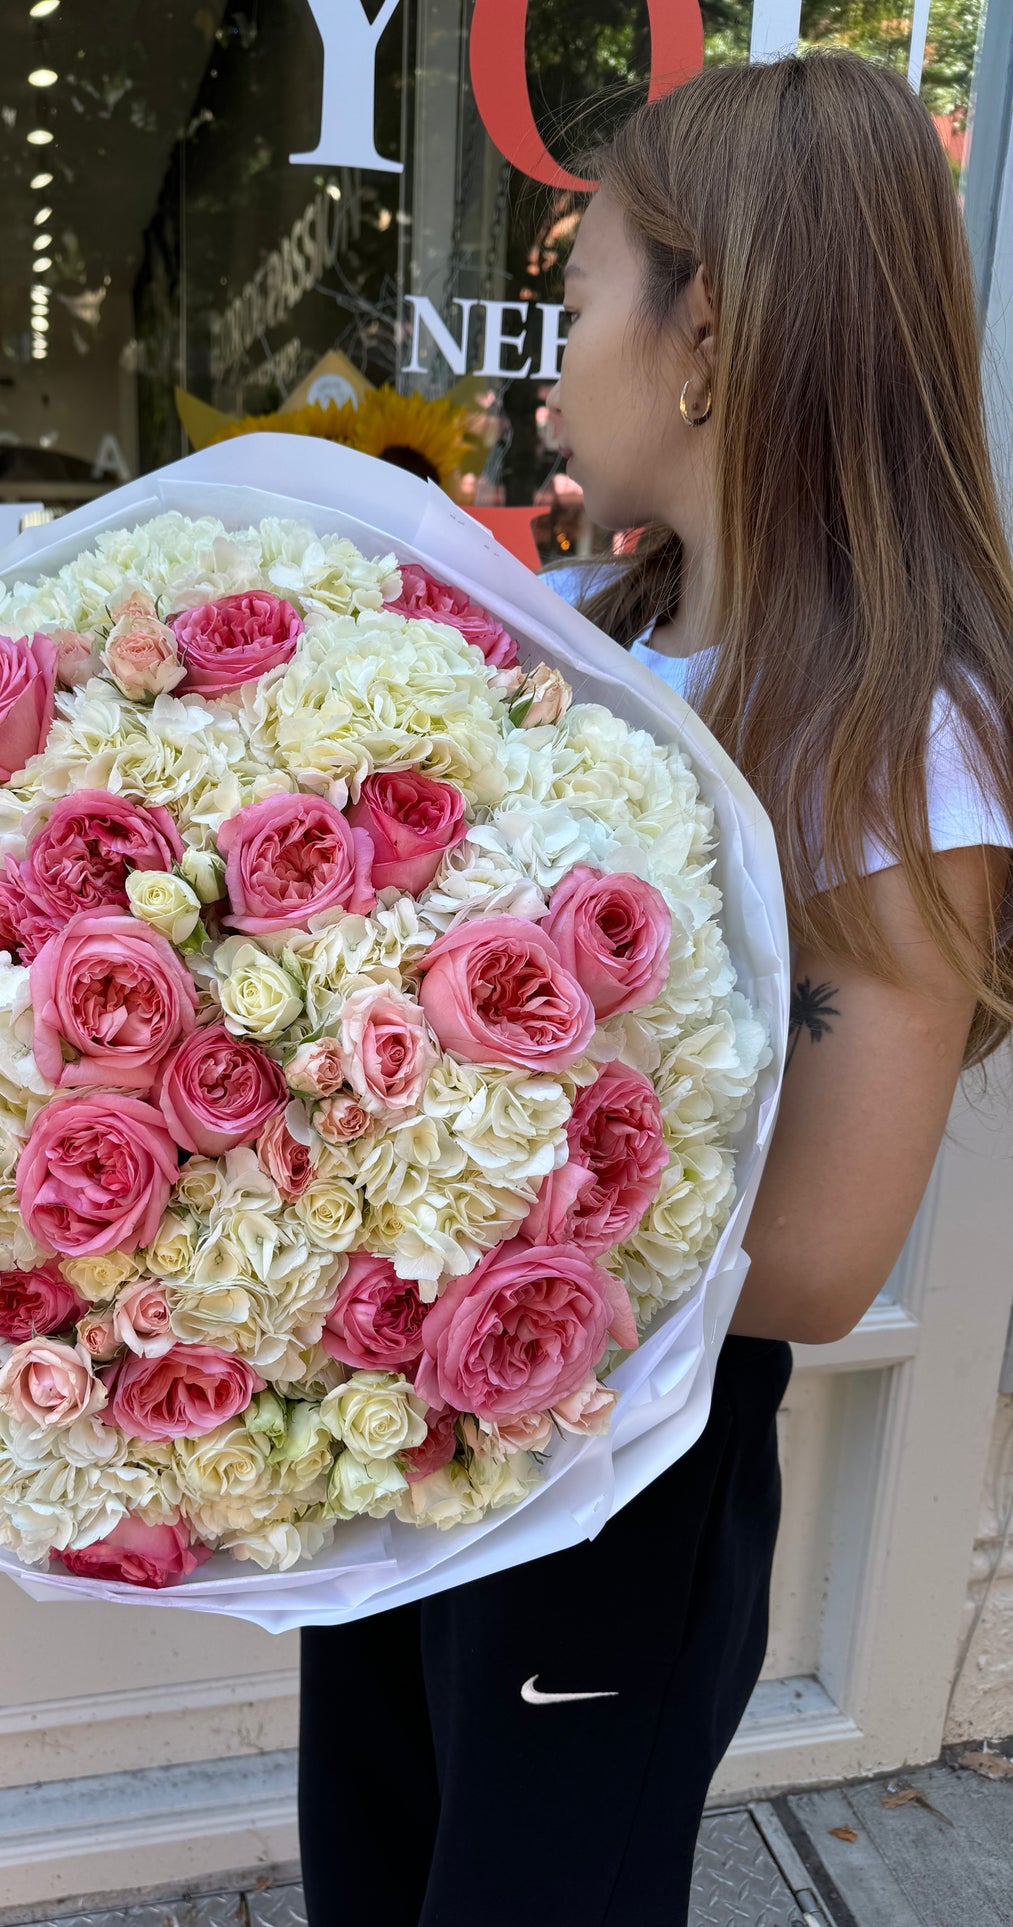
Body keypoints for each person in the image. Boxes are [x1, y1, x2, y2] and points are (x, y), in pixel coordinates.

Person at [296, 51, 1013, 1926]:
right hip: (421, 1442)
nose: (549, 353)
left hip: (617, 1496)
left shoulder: (892, 749)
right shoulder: (596, 649)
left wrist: (386, 1199)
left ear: (705, 328)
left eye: (582, 294)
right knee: (373, 1863)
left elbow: (818, 1258)